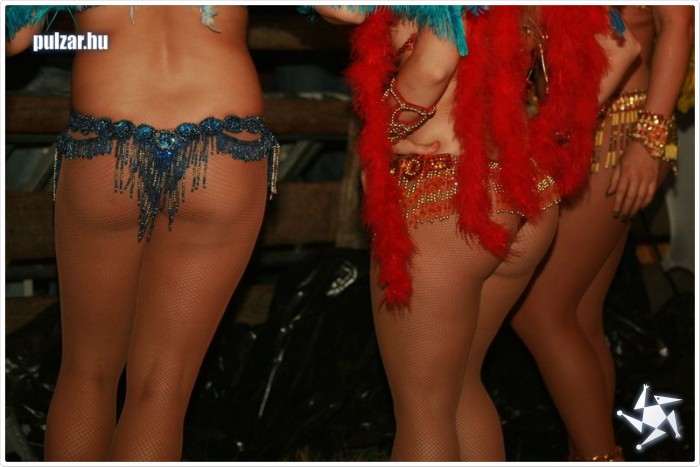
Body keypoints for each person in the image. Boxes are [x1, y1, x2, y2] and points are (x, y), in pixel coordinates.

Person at [312, 5, 626, 461]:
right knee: (459, 388)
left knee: (424, 410)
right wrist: (548, 136)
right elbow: (621, 48)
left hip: (448, 198)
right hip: (523, 191)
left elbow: (435, 66)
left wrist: (380, 137)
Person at [6, 5, 278, 461]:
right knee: (162, 388)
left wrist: (84, 38)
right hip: (225, 149)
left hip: (107, 144)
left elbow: (16, 39)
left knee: (87, 373)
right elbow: (341, 10)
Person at [510, 5, 693, 462]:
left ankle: (597, 457)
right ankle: (592, 452)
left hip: (618, 129)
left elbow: (678, 20)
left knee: (537, 312)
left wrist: (650, 139)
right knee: (579, 316)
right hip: (563, 129)